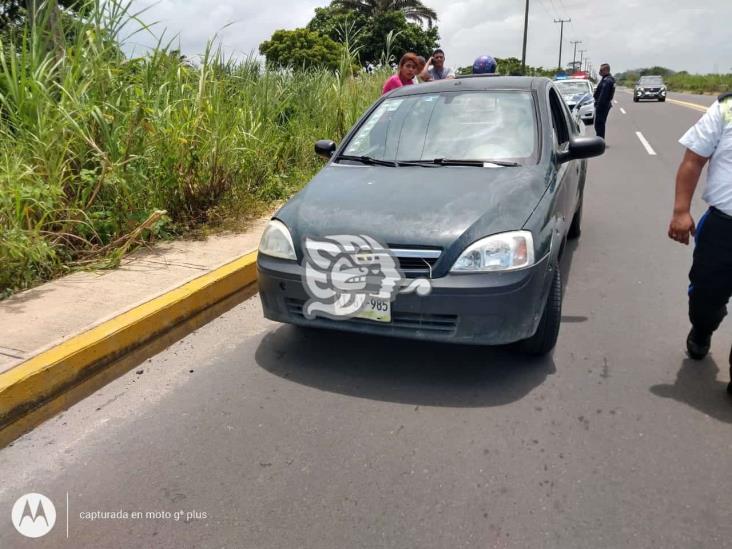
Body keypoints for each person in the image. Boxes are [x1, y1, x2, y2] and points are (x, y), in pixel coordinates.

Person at [667, 91, 732, 394]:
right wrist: (681, 211)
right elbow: (693, 161)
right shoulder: (727, 109)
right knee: (705, 301)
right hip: (723, 228)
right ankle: (704, 328)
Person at [593, 63, 615, 140]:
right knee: (598, 124)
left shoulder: (607, 81)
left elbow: (603, 95)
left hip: (602, 105)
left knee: (599, 124)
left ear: (606, 70)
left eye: (601, 70)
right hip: (603, 105)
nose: (599, 72)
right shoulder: (606, 79)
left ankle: (600, 141)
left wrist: (598, 105)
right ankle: (600, 139)